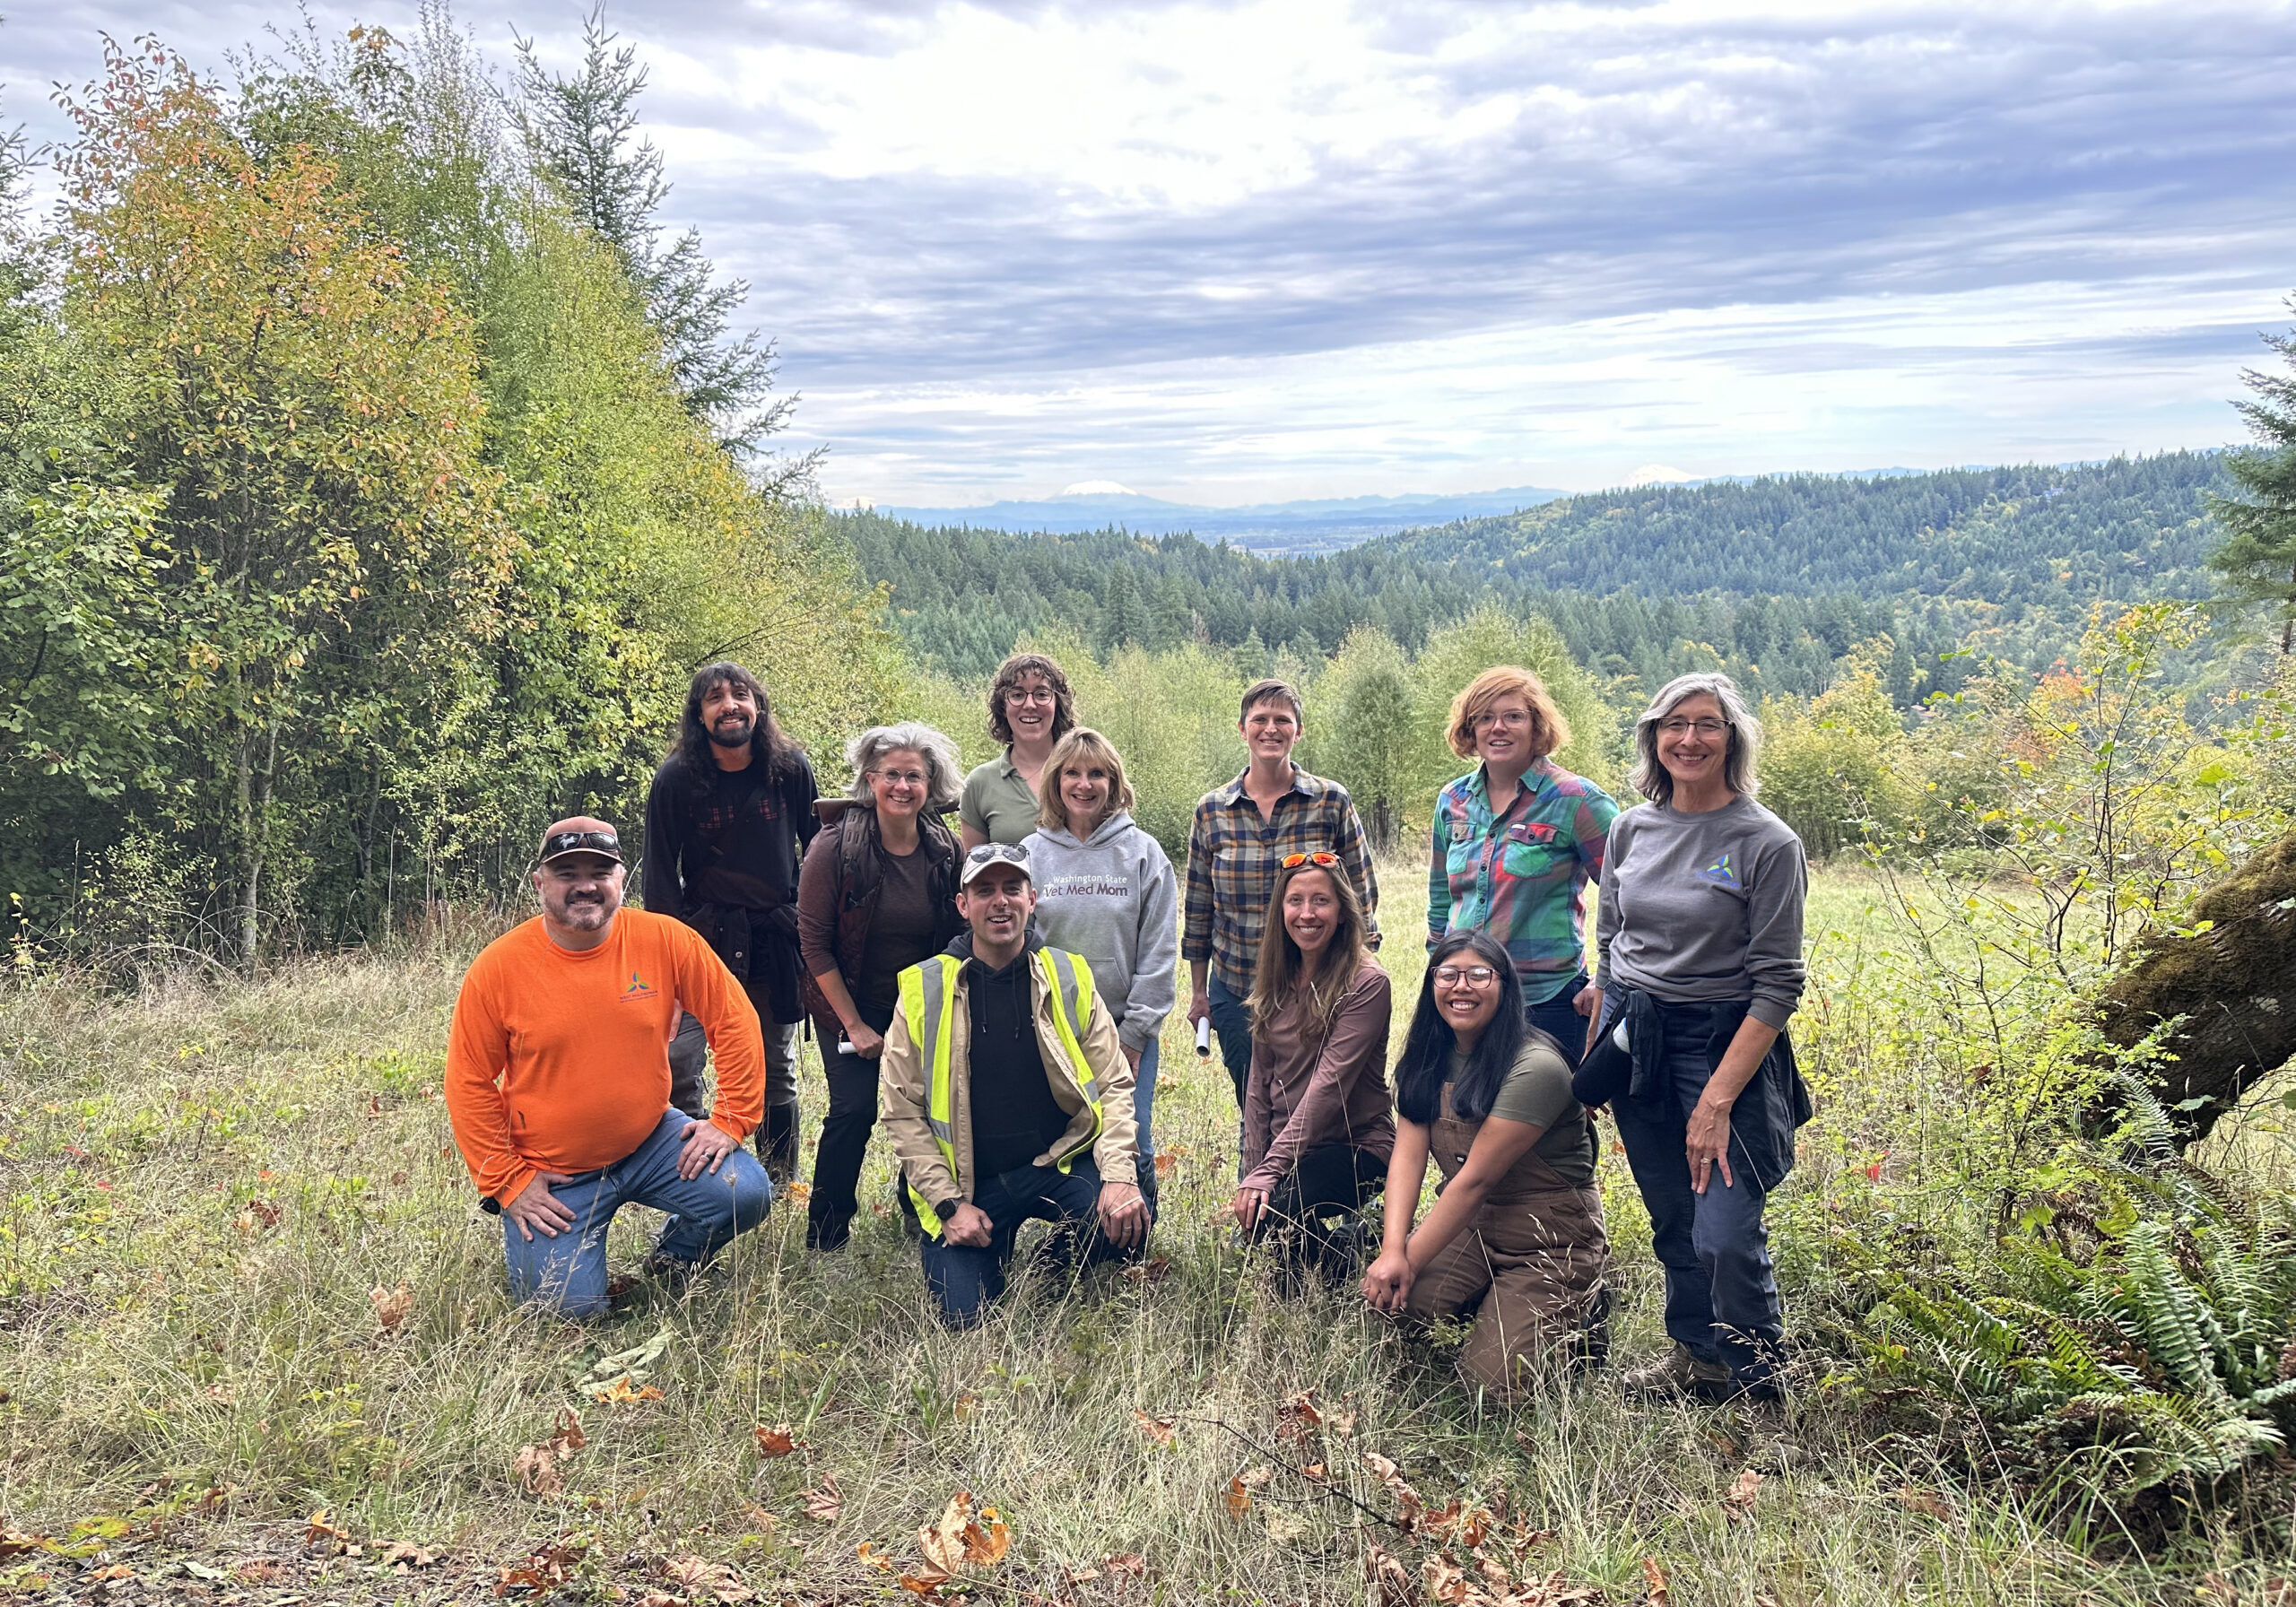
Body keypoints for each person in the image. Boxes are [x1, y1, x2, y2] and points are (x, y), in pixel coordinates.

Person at [445, 819, 773, 1316]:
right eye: (566, 872)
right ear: (540, 884)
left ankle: (676, 1256)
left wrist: (731, 1119)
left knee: (744, 1193)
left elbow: (733, 1019)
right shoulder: (499, 968)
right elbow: (469, 1080)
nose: (585, 885)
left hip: (651, 1141)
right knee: (567, 1315)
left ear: (622, 878)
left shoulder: (665, 940)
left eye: (600, 870)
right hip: (554, 1174)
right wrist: (507, 1181)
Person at [1593, 672, 1811, 1403]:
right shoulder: (1631, 827)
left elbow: (1778, 984)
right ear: (1654, 737)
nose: (1689, 738)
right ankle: (1698, 1358)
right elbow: (1611, 941)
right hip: (1638, 1042)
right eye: (1673, 724)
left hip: (1723, 1046)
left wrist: (1717, 1101)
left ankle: (1764, 1389)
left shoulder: (1766, 842)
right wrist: (1601, 1052)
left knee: (1724, 1231)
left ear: (1732, 738)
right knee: (1673, 1218)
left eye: (1707, 724)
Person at [881, 844, 1153, 1326]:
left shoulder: (1068, 975)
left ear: (1033, 899)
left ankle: (1051, 1266)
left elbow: (1113, 1084)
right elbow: (902, 1112)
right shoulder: (924, 990)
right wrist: (948, 1204)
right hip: (970, 1186)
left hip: (1056, 1164)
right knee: (965, 1319)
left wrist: (1117, 1177)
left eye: (1012, 889)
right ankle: (988, 1245)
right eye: (984, 891)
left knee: (1126, 1221)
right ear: (963, 906)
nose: (999, 902)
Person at [1363, 931, 1609, 1395]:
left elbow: (1474, 1180)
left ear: (1505, 986)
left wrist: (1406, 1260)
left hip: (1551, 1240)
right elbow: (1408, 1156)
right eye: (1449, 974)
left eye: (1479, 975)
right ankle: (1492, 1300)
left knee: (1491, 1386)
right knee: (1400, 1312)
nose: (1462, 987)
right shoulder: (1426, 1057)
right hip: (1472, 1228)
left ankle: (1583, 1311)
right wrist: (1393, 1250)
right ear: (1431, 982)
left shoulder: (1536, 1065)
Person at [643, 661, 820, 1181]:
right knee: (679, 1062)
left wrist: (813, 935)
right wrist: (669, 964)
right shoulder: (677, 778)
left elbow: (820, 853)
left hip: (773, 939)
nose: (729, 706)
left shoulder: (790, 769)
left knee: (774, 1067)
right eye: (714, 698)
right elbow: (658, 874)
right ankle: (692, 1177)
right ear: (699, 715)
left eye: (739, 694)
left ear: (757, 706)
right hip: (702, 940)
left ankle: (779, 1178)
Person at [796, 723, 966, 1251]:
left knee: (932, 1115)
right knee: (854, 1111)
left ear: (930, 784)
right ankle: (826, 1235)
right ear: (870, 780)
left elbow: (960, 930)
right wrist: (856, 1025)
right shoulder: (833, 847)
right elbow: (814, 943)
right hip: (848, 1004)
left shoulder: (944, 849)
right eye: (891, 774)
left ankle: (918, 1211)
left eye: (914, 776)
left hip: (918, 1008)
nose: (902, 786)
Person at [1185, 679, 1381, 1115]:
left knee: (1319, 1105)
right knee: (1254, 1103)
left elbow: (1362, 898)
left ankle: (1308, 1182)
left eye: (1282, 721)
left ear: (1299, 730)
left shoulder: (1331, 801)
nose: (1270, 729)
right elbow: (1198, 909)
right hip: (1237, 987)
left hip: (1318, 987)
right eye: (1260, 720)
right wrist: (1200, 993)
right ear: (1242, 729)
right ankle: (1258, 1176)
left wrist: (1362, 975)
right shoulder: (1211, 810)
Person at [1428, 666, 1617, 1066]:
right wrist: (1439, 973)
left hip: (1546, 1000)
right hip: (1466, 999)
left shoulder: (1577, 799)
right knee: (1460, 1116)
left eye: (1513, 716)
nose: (1499, 728)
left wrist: (1606, 978)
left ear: (1536, 726)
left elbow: (1633, 900)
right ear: (1470, 729)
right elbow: (1441, 898)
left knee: (1551, 1121)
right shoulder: (1452, 800)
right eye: (1485, 717)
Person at [1231, 851, 1395, 1285]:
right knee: (1261, 1228)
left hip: (1357, 1146)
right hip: (1292, 1150)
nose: (1307, 913)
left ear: (1342, 911)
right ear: (1280, 910)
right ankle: (1344, 1252)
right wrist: (1253, 1171)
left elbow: (1330, 1086)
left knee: (1281, 1218)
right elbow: (1258, 1082)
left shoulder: (1367, 983)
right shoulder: (1275, 975)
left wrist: (1271, 1170)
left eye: (1321, 901)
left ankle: (1357, 1248)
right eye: (1295, 900)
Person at [1021, 728, 1178, 1168]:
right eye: (1071, 773)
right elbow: (1019, 947)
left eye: (1096, 774)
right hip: (1050, 1030)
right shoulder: (1030, 854)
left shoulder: (1144, 854)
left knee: (1132, 1144)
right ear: (1055, 781)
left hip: (1121, 1028)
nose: (1083, 784)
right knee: (1058, 1145)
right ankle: (1076, 1234)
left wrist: (1134, 1036)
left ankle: (1134, 1231)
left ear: (1114, 783)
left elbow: (1159, 953)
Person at [961, 652, 1076, 850]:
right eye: (1017, 695)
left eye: (1041, 694)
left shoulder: (1088, 772)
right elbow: (975, 875)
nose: (1030, 705)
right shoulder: (980, 783)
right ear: (1003, 706)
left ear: (1057, 704)